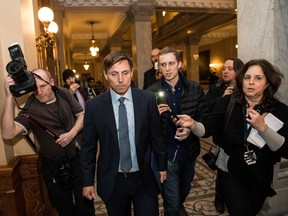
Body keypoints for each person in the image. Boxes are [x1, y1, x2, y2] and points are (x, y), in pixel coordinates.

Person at [176, 59, 288, 216]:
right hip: (231, 173)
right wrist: (193, 124)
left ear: (268, 83)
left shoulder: (279, 110)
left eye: (258, 78)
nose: (251, 82)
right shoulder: (227, 103)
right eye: (247, 77)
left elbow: (285, 149)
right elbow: (206, 130)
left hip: (261, 174)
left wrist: (263, 127)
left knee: (253, 210)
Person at [81, 50, 167, 216]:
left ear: (132, 73)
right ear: (105, 75)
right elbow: (88, 147)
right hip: (114, 180)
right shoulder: (94, 106)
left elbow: (157, 137)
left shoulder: (147, 99)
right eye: (114, 74)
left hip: (144, 177)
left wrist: (162, 166)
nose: (120, 80)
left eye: (125, 73)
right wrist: (87, 181)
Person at [1, 68, 95, 216]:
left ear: (51, 82)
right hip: (53, 167)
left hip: (77, 160)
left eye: (43, 86)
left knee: (85, 206)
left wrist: (72, 133)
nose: (39, 91)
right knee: (65, 209)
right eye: (35, 87)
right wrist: (8, 98)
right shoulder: (30, 108)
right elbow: (7, 133)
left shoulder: (63, 93)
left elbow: (81, 115)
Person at [147, 47, 208, 216]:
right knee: (172, 203)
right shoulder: (151, 92)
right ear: (158, 66)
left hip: (189, 152)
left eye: (171, 63)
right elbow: (146, 129)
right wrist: (155, 116)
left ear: (179, 64)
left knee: (184, 189)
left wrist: (191, 128)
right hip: (166, 154)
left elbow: (203, 119)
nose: (167, 68)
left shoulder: (195, 89)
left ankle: (177, 205)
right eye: (163, 64)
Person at [205, 57, 244, 213]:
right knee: (222, 168)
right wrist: (222, 99)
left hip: (241, 137)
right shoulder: (216, 88)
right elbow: (207, 109)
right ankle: (219, 197)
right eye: (224, 68)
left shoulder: (245, 88)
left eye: (230, 68)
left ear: (239, 71)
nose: (226, 71)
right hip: (221, 137)